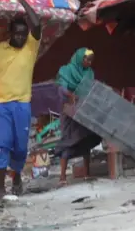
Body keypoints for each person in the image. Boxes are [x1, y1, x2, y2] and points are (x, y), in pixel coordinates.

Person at [0, 0, 41, 199]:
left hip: (22, 104)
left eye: (24, 34)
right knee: (3, 143)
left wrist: (23, 2)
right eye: (17, 34)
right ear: (10, 33)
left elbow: (37, 24)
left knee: (21, 146)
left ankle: (16, 177)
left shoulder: (31, 48)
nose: (21, 38)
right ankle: (0, 188)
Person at [55, 48, 101, 186]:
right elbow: (61, 88)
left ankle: (87, 173)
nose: (88, 62)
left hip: (84, 110)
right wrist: (71, 95)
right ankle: (62, 177)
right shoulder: (66, 70)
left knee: (85, 140)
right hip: (69, 111)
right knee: (68, 140)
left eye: (91, 60)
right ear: (79, 58)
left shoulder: (89, 73)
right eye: (86, 59)